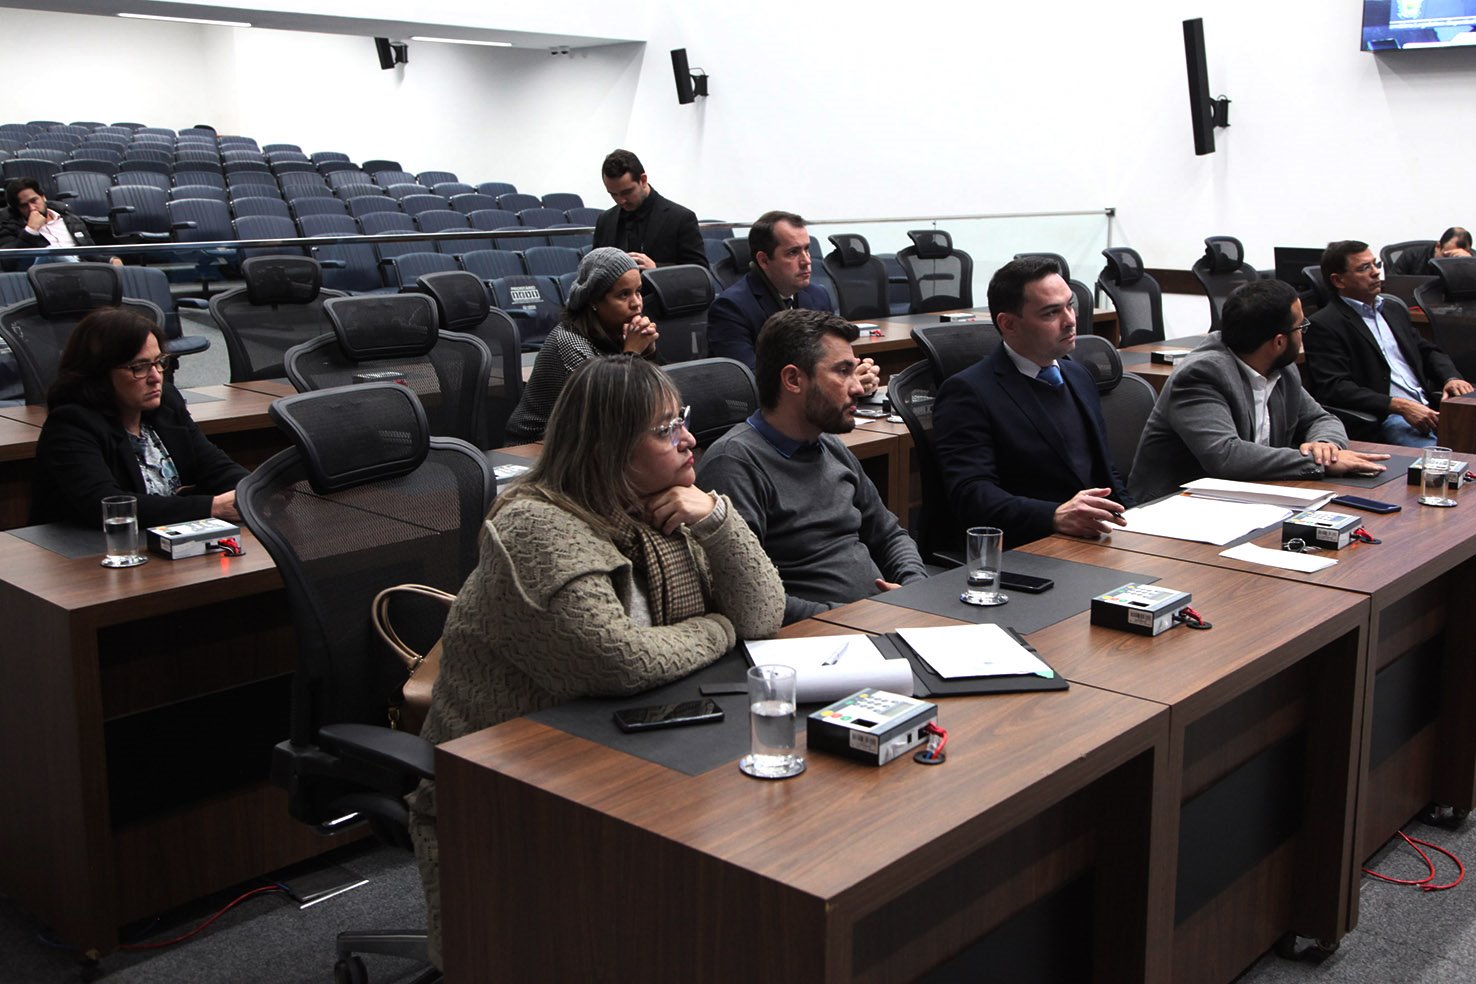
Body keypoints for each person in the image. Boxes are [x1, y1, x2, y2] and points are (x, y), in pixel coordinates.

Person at [408, 354, 785, 968]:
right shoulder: (537, 525)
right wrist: (719, 626)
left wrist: (717, 520)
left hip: (628, 745)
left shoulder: (666, 507)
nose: (689, 439)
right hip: (510, 781)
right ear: (608, 448)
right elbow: (617, 660)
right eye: (665, 429)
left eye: (683, 420)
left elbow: (763, 613)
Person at [697, 308, 925, 623]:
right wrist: (854, 617)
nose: (858, 388)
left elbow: (888, 534)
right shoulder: (734, 464)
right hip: (813, 636)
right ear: (793, 379)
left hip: (876, 619)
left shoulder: (828, 445)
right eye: (842, 371)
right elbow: (745, 595)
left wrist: (914, 587)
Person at [933, 256, 1132, 548]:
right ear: (1009, 324)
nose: (1070, 320)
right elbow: (972, 495)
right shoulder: (968, 392)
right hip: (1026, 545)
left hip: (1093, 537)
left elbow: (1104, 470)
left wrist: (1135, 520)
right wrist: (1053, 515)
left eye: (1070, 305)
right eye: (1051, 313)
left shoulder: (1078, 375)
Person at [1129, 280, 1389, 502]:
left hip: (1252, 494)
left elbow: (1321, 419)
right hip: (1179, 506)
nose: (1304, 335)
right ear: (1279, 342)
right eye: (1301, 327)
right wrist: (1318, 463)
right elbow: (1226, 456)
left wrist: (1325, 446)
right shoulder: (1202, 375)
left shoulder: (1282, 369)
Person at [31, 306, 247, 527]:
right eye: (139, 367)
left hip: (163, 536)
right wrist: (212, 507)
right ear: (99, 373)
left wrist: (252, 493)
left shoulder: (166, 403)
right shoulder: (71, 425)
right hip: (89, 544)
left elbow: (215, 466)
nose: (156, 377)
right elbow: (106, 504)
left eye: (159, 362)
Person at [1304, 240, 1473, 447]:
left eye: (1376, 264)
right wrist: (1399, 406)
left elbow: (1426, 351)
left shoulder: (1392, 309)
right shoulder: (1325, 324)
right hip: (1389, 417)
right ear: (1338, 280)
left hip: (1432, 407)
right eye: (1364, 268)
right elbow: (1336, 387)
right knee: (1441, 463)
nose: (1376, 272)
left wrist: (1451, 377)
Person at [707, 209, 881, 394]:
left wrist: (857, 378)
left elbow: (834, 360)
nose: (806, 261)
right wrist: (839, 383)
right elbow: (748, 383)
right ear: (764, 260)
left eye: (807, 249)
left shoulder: (818, 296)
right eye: (793, 252)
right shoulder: (731, 308)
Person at [504, 247, 660, 442]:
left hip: (587, 440)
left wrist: (647, 353)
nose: (636, 303)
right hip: (538, 444)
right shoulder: (569, 342)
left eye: (638, 292)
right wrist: (633, 354)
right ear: (594, 301)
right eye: (623, 295)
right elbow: (610, 411)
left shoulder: (619, 332)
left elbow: (648, 403)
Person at [592, 148, 707, 270]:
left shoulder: (681, 218)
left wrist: (657, 269)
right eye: (613, 194)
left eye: (627, 192)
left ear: (643, 180)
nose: (621, 201)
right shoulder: (605, 220)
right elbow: (594, 269)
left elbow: (699, 271)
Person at [1, 178, 122, 266]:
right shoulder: (10, 225)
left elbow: (90, 254)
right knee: (51, 252)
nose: (32, 208)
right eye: (24, 206)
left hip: (82, 271)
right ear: (17, 209)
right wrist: (31, 230)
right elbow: (7, 261)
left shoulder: (70, 219)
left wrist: (110, 260)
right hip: (45, 277)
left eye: (34, 201)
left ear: (43, 197)